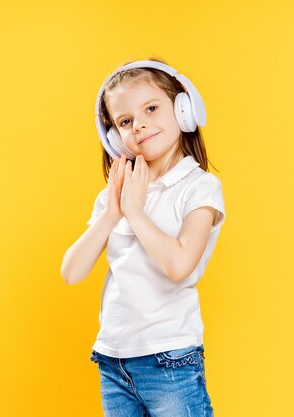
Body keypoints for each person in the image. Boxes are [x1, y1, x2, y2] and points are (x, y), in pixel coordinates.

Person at [61, 57, 224, 416]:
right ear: (114, 138)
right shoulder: (115, 195)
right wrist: (112, 213)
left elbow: (180, 264)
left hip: (170, 360)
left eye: (151, 108)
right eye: (125, 121)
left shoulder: (200, 187)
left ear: (183, 110)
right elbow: (71, 272)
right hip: (113, 359)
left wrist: (134, 211)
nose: (140, 125)